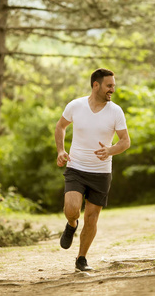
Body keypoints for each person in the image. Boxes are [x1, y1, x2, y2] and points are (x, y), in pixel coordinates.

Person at [55, 68, 131, 271]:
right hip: (76, 167)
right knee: (72, 210)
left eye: (113, 85)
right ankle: (71, 224)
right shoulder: (76, 105)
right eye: (109, 85)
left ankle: (81, 259)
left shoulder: (115, 111)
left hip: (101, 172)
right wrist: (61, 150)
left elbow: (125, 141)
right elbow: (60, 126)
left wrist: (110, 150)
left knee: (91, 217)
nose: (112, 89)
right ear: (96, 85)